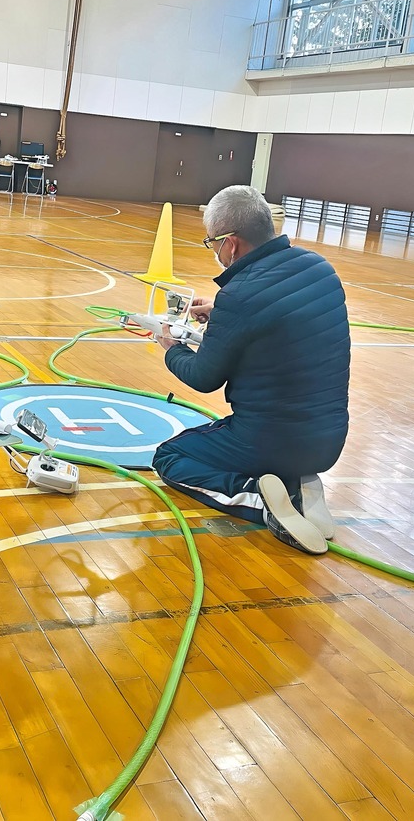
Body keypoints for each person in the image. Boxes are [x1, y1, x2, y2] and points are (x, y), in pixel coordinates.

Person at [151, 185, 350, 556]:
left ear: (231, 243)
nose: (213, 249)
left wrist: (171, 348)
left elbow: (202, 377)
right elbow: (283, 325)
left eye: (211, 242)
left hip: (271, 441)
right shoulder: (319, 269)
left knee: (169, 457)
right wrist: (223, 314)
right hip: (330, 440)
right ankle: (300, 484)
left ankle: (265, 501)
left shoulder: (240, 295)